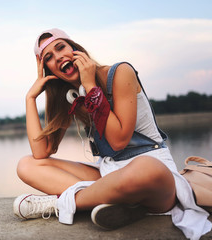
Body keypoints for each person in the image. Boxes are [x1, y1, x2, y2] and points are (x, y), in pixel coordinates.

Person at [13, 28, 211, 239]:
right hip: (110, 173)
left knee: (147, 169)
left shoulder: (120, 73)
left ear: (75, 49)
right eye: (49, 58)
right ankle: (122, 203)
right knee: (26, 165)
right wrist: (30, 98)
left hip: (152, 174)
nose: (58, 57)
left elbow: (118, 140)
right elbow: (41, 152)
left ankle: (61, 204)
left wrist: (90, 87)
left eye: (61, 47)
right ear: (49, 69)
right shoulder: (70, 96)